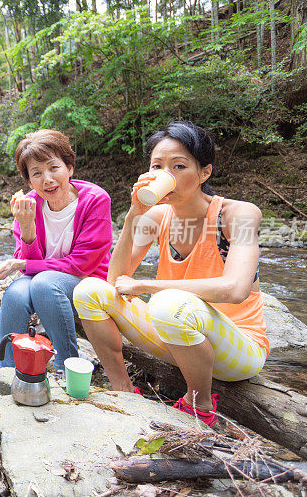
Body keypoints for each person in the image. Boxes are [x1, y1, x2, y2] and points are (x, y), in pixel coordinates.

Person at [73, 121, 268, 426]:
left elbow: (235, 289)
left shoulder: (238, 214)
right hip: (176, 332)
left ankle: (199, 403)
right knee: (88, 291)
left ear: (204, 172)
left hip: (239, 348)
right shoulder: (157, 216)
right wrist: (132, 215)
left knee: (167, 304)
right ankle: (123, 390)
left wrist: (148, 286)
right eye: (158, 166)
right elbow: (115, 280)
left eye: (179, 166)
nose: (167, 175)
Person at [0, 129, 113, 371]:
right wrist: (27, 227)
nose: (47, 179)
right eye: (37, 173)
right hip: (41, 279)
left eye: (54, 168)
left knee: (44, 283)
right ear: (29, 181)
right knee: (15, 293)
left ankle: (67, 367)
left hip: (88, 283)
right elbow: (28, 265)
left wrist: (22, 264)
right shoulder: (27, 206)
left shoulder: (96, 200)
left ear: (69, 168)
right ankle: (5, 371)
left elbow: (82, 264)